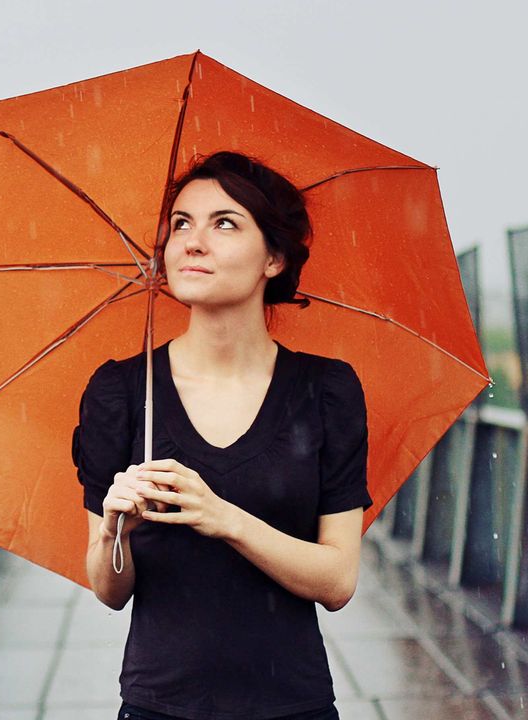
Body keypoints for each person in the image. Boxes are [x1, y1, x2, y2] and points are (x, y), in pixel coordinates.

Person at [72, 151, 372, 720]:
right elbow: (109, 591)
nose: (191, 241)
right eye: (181, 223)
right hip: (159, 704)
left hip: (291, 704)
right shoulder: (121, 392)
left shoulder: (325, 392)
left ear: (275, 258)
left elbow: (337, 581)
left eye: (224, 223)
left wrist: (223, 518)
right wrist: (117, 532)